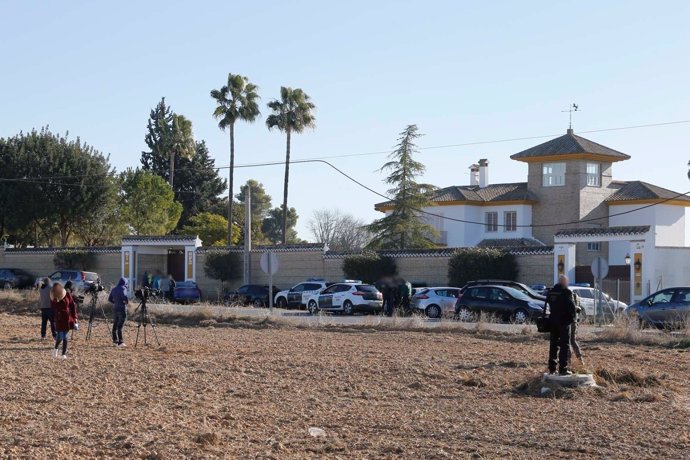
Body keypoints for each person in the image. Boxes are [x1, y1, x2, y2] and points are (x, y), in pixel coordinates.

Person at [544, 275, 577, 375]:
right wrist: (573, 316)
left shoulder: (551, 292)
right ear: (565, 282)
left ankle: (552, 368)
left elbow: (549, 305)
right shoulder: (566, 292)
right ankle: (563, 368)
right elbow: (572, 307)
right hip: (564, 322)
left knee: (553, 345)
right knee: (564, 345)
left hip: (553, 321)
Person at [50, 282, 78, 359]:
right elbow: (53, 307)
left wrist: (74, 317)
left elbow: (72, 306)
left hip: (68, 318)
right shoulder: (53, 298)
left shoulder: (68, 294)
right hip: (59, 319)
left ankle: (63, 354)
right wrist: (57, 301)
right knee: (60, 336)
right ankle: (55, 349)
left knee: (65, 336)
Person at [108, 277, 129, 347]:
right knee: (120, 326)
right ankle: (120, 342)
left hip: (115, 309)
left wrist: (115, 302)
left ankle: (115, 341)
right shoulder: (123, 288)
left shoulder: (114, 289)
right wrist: (126, 302)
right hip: (122, 309)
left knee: (115, 325)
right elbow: (125, 297)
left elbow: (109, 299)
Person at [570, 292, 585, 366]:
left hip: (569, 322)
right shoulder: (577, 297)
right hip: (575, 321)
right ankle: (581, 360)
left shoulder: (569, 296)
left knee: (568, 342)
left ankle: (568, 361)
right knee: (573, 341)